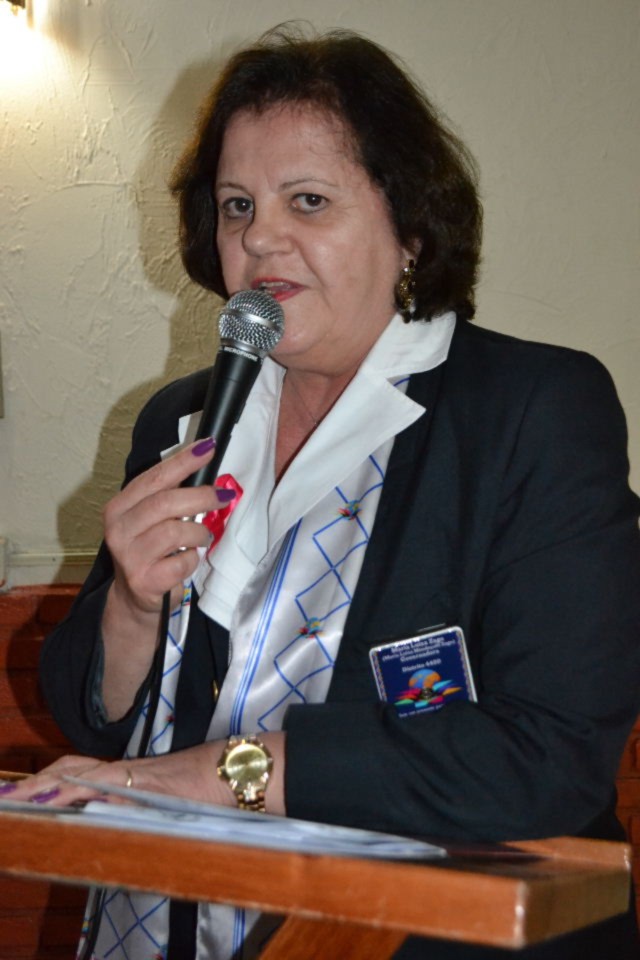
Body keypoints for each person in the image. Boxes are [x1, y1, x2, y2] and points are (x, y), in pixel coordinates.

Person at [3, 24, 640, 960]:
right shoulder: (182, 421)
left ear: (410, 228)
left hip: (425, 937)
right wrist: (133, 607)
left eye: (308, 200)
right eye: (236, 206)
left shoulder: (531, 410)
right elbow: (90, 714)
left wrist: (223, 774)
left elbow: (547, 757)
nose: (259, 237)